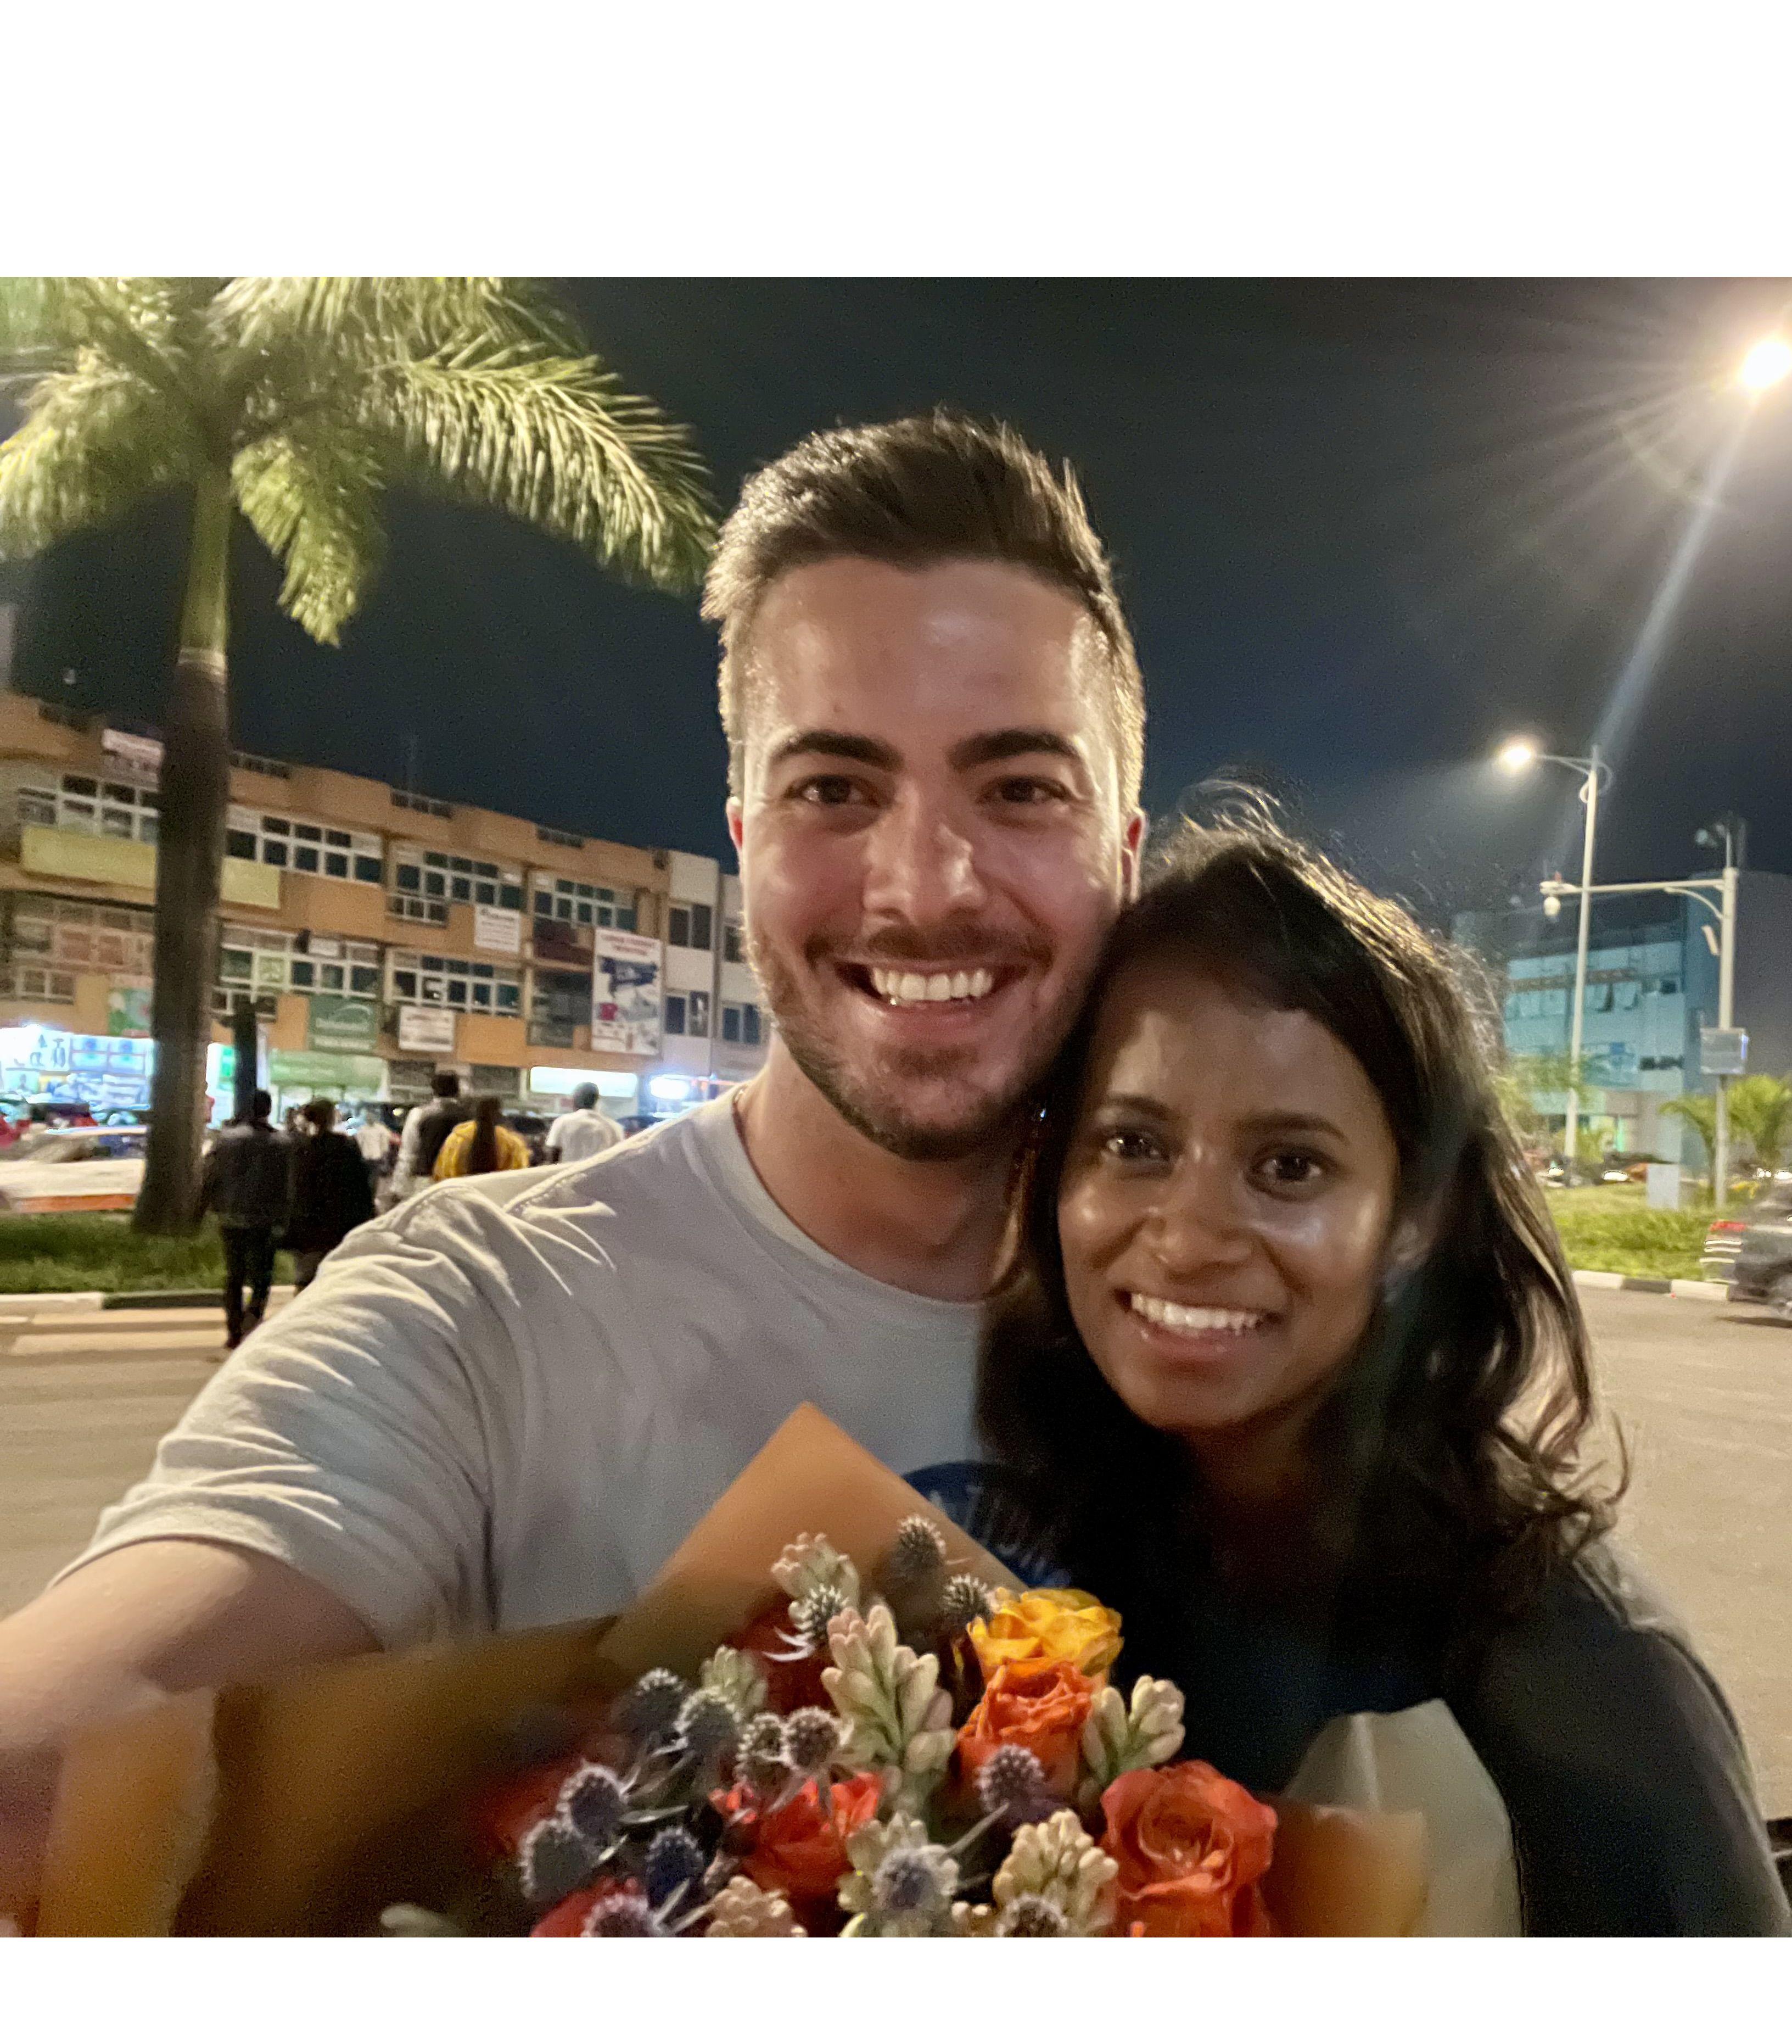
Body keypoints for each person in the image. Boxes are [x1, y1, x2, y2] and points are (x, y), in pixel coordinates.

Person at [0, 409, 1145, 1928]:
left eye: (1019, 790)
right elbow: (90, 1719)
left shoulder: (1250, 1323)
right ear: (743, 839)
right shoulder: (483, 1314)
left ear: (1123, 846)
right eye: (834, 789)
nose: (923, 884)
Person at [974, 819, 1791, 1934]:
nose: (1191, 1233)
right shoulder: (1054, 1569)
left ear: (1414, 1222)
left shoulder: (1583, 1679)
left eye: (1288, 1166)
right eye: (1134, 1144)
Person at [195, 1090, 292, 1352]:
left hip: (231, 1216)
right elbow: (288, 1186)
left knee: (234, 1274)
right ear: (268, 1110)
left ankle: (234, 1329)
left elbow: (210, 1175)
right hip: (265, 1219)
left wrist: (200, 1210)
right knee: (263, 1275)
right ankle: (253, 1319)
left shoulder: (226, 1140)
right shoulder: (281, 1143)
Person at [281, 1099, 377, 1294]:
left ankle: (301, 1313)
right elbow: (360, 1186)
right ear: (333, 1118)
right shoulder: (346, 1147)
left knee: (305, 1275)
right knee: (333, 1275)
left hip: (306, 1222)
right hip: (339, 1222)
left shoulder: (300, 1148)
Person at [384, 1070, 467, 1210]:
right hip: (461, 1184)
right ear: (458, 1091)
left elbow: (408, 1154)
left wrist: (399, 1189)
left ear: (433, 1090)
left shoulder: (420, 1114)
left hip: (427, 1183)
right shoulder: (469, 1116)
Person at [432, 1094, 531, 1180]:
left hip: (459, 1198)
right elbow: (520, 1176)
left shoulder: (456, 1139)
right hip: (498, 1199)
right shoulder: (512, 1143)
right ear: (499, 1113)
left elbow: (441, 1174)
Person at [545, 1082, 624, 1164]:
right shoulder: (614, 1127)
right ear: (597, 1101)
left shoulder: (562, 1122)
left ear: (575, 1100)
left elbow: (553, 1157)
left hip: (569, 1175)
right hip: (602, 1176)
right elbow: (619, 1159)